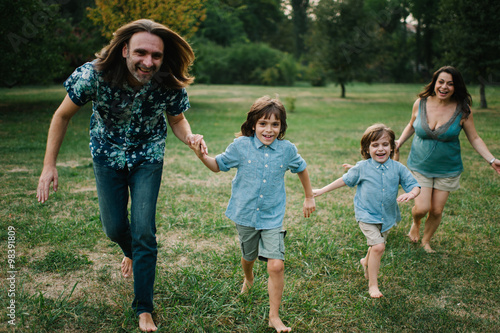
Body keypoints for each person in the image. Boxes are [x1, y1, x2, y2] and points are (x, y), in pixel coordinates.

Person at [36, 19, 207, 332]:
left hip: (148, 157)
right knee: (114, 227)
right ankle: (132, 252)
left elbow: (178, 120)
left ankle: (144, 308)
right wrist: (49, 165)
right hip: (106, 156)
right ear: (125, 49)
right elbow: (61, 116)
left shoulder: (167, 81)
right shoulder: (94, 75)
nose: (148, 62)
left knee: (144, 230)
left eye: (156, 56)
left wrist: (191, 137)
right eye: (141, 53)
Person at [189, 96, 316, 332]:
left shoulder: (287, 150)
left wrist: (309, 196)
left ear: (282, 127)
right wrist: (201, 156)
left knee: (276, 265)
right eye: (263, 124)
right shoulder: (240, 147)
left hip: (272, 217)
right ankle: (248, 277)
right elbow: (218, 165)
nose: (269, 130)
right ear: (253, 125)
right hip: (245, 214)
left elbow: (302, 168)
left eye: (275, 124)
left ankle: (274, 316)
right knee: (249, 256)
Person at [395, 66, 500, 253]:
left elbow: (474, 138)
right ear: (435, 83)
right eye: (441, 82)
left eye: (450, 84)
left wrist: (492, 160)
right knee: (422, 208)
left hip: (447, 169)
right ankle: (416, 222)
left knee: (436, 210)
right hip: (420, 165)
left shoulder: (463, 110)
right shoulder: (420, 103)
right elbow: (412, 125)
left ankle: (426, 241)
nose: (444, 87)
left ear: (456, 87)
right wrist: (399, 143)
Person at [313, 124, 420, 298]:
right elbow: (344, 180)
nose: (380, 149)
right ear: (367, 148)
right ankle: (373, 285)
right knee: (378, 246)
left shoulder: (397, 168)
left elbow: (414, 185)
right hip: (367, 215)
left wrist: (412, 193)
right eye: (375, 145)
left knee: (375, 247)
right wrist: (322, 190)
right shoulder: (362, 168)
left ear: (392, 147)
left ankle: (366, 261)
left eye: (385, 144)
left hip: (387, 217)